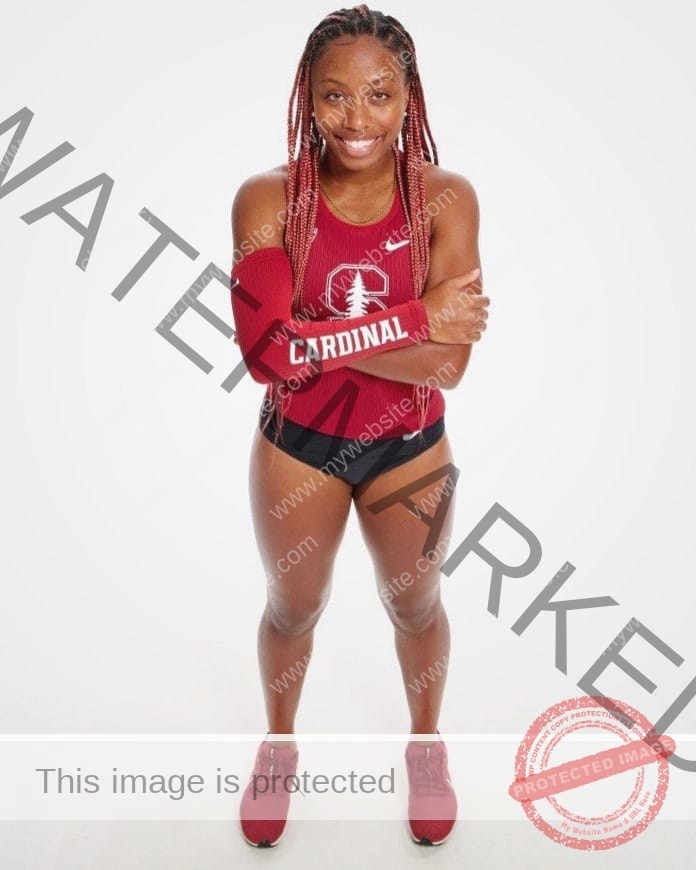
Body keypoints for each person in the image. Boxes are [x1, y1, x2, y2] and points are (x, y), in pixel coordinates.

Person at [229, 4, 489, 848]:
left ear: (409, 97)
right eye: (335, 97)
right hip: (297, 447)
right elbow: (269, 356)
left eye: (379, 95)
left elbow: (448, 366)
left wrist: (322, 341)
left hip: (410, 447)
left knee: (416, 606)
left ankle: (425, 746)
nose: (357, 119)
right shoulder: (266, 200)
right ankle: (278, 745)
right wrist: (414, 317)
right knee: (293, 609)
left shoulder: (447, 199)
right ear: (308, 100)